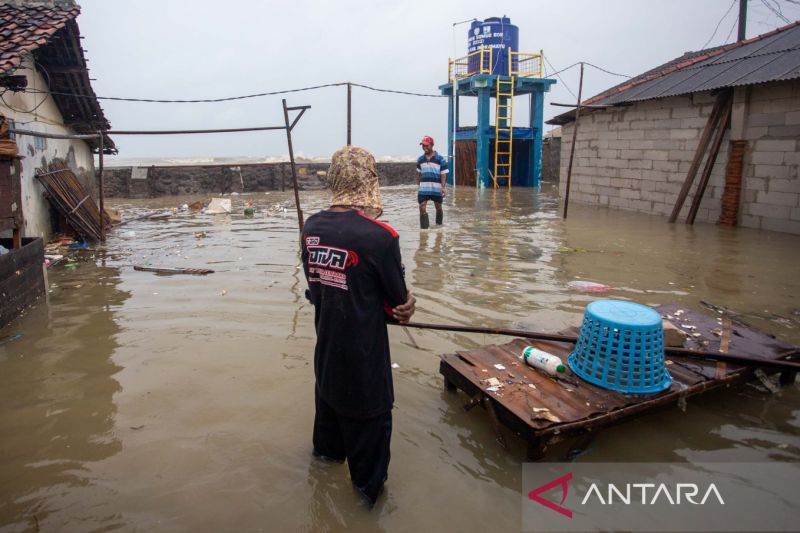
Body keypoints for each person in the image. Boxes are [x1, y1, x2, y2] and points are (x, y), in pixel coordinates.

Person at [301, 145, 416, 507]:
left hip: (327, 367)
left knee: (325, 459)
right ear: (369, 181)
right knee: (369, 489)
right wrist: (407, 305)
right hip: (366, 376)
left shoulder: (311, 227)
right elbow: (396, 304)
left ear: (335, 180)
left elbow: (319, 288)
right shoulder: (382, 237)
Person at [416, 135, 448, 229]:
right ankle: (424, 230)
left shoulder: (440, 159)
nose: (424, 147)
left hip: (436, 188)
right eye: (423, 145)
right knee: (422, 207)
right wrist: (418, 186)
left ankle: (439, 226)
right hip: (424, 188)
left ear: (432, 145)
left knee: (438, 207)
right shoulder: (420, 159)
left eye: (426, 145)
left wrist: (443, 187)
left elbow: (443, 174)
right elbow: (418, 173)